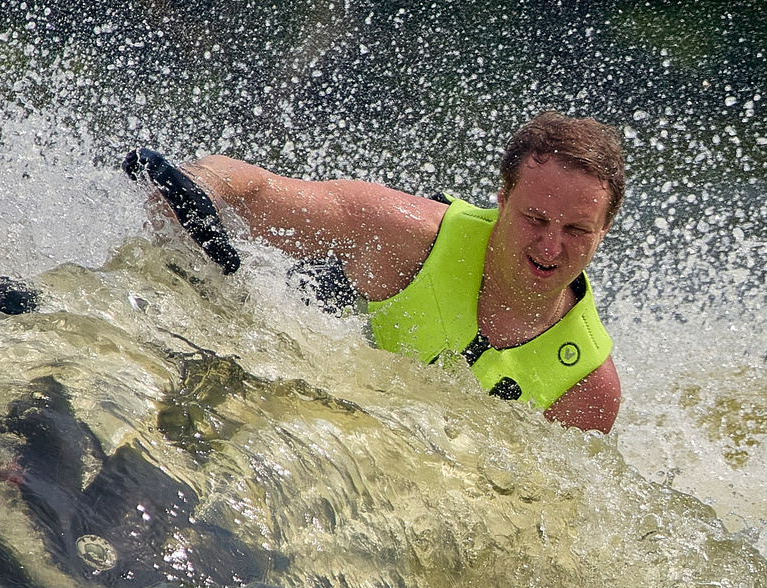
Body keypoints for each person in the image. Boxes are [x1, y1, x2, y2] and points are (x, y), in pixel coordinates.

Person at [171, 112, 626, 432]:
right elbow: (250, 186)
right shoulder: (403, 235)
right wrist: (192, 191)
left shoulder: (586, 387)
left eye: (577, 229)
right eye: (536, 219)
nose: (550, 246)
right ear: (503, 201)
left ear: (604, 230)